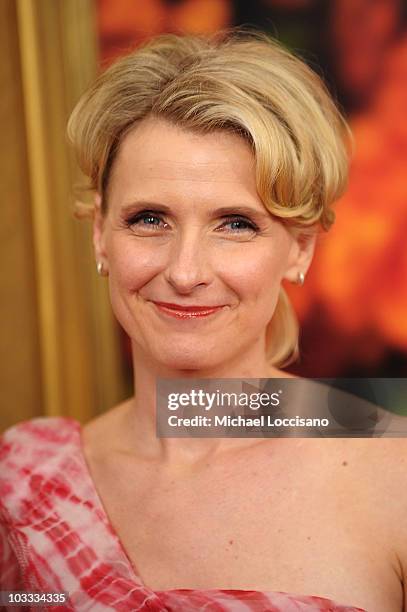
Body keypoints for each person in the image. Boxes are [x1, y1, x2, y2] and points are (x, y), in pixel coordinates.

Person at [1, 30, 406, 612]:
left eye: (236, 224)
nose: (185, 272)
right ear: (100, 235)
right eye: (149, 219)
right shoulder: (22, 485)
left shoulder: (396, 478)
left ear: (299, 249)